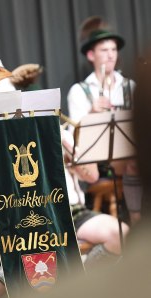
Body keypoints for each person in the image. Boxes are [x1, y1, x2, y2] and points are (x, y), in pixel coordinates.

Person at [67, 16, 142, 225]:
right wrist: (91, 113)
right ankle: (137, 221)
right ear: (91, 55)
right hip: (97, 161)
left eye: (113, 50)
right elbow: (75, 138)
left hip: (128, 153)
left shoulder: (129, 86)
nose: (111, 56)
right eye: (104, 50)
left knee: (135, 158)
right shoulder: (79, 91)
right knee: (134, 163)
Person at [61, 128, 129, 267]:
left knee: (122, 234)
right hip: (27, 213)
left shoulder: (62, 133)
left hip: (70, 210)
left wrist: (64, 140)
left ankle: (88, 282)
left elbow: (92, 176)